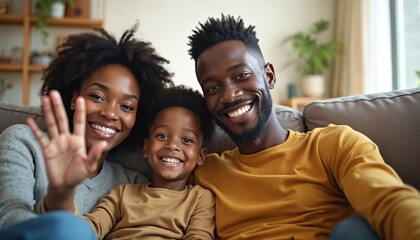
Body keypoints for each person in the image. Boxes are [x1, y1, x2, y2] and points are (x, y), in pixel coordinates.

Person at [187, 14, 420, 240]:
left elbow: (389, 202)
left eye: (241, 75)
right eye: (212, 88)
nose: (229, 95)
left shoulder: (333, 145)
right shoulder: (203, 173)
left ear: (268, 76)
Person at [0, 23, 173, 239]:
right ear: (74, 99)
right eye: (97, 97)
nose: (110, 114)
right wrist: (58, 199)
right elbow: (9, 220)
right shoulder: (23, 141)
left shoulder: (133, 184)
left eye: (127, 107)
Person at [36, 85, 216, 239]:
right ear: (146, 148)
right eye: (162, 136)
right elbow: (92, 227)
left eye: (187, 140)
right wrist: (62, 202)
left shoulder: (199, 198)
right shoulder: (122, 193)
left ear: (201, 156)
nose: (172, 145)